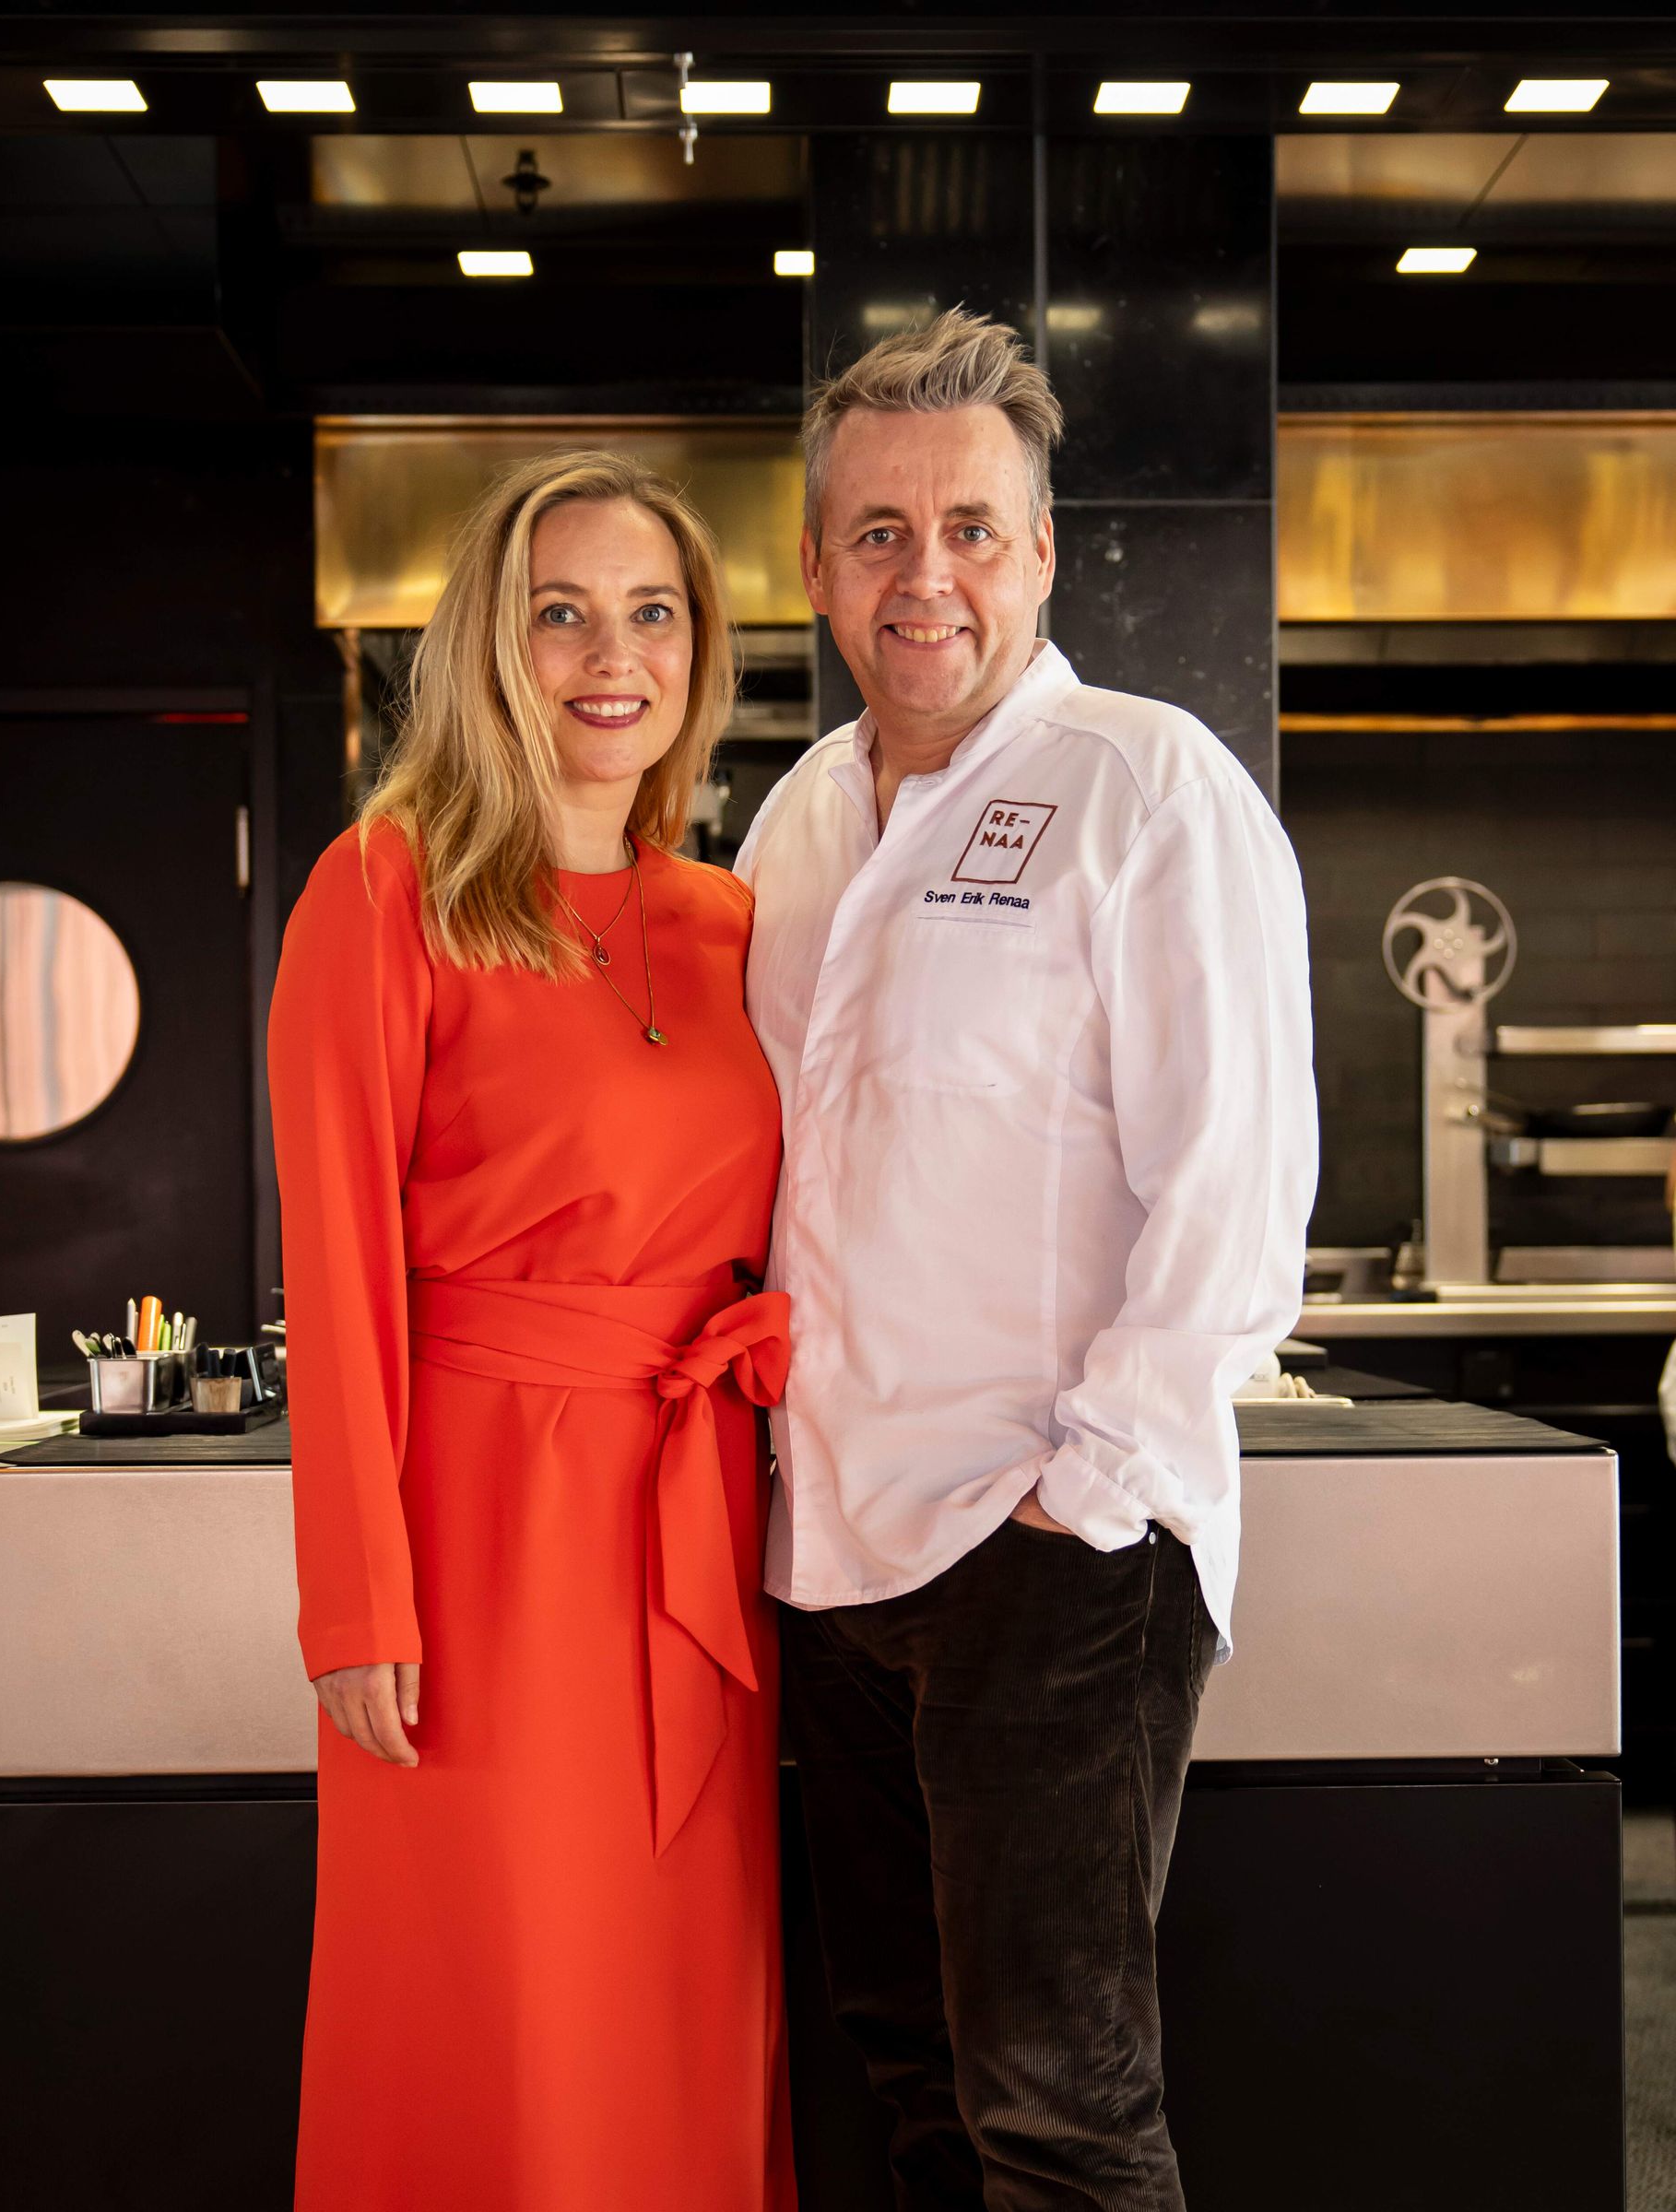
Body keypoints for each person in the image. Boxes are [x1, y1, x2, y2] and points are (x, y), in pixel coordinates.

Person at [736, 309, 1317, 2209]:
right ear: (817, 564)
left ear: (1044, 551)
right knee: (911, 2080)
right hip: (827, 1557)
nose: (929, 577)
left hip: (1041, 1553)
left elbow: (1235, 1186)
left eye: (973, 528)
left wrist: (1090, 1499)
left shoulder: (1146, 786)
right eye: (881, 532)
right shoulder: (802, 820)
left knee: (1057, 2118)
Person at [268, 451, 795, 2212]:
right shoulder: (386, 886)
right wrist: (356, 1598)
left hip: (698, 1535)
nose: (607, 655)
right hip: (482, 1547)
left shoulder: (732, 922)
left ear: (700, 648)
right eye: (559, 611)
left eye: (650, 612)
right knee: (498, 2007)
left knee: (684, 2009)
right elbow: (332, 1266)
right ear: (492, 641)